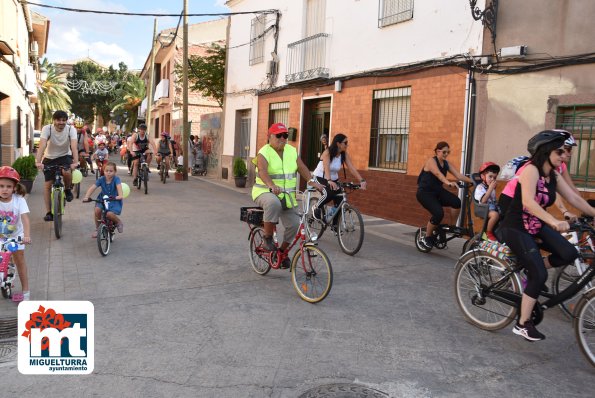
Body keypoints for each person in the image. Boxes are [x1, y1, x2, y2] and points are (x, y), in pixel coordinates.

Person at [498, 129, 595, 341]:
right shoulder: (530, 170)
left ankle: (530, 264)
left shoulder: (554, 174)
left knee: (568, 253)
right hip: (515, 226)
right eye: (560, 151)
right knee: (539, 274)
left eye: (565, 152)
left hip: (534, 224)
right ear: (546, 151)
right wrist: (553, 221)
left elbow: (574, 198)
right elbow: (528, 202)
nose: (564, 156)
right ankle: (523, 324)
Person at [252, 123, 315, 269]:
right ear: (270, 137)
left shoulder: (291, 151)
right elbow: (262, 171)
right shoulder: (264, 152)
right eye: (278, 135)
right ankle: (267, 239)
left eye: (285, 135)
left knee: (294, 225)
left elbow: (302, 167)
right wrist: (271, 185)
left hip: (286, 196)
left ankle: (281, 252)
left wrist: (312, 181)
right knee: (273, 203)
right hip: (264, 192)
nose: (282, 138)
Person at [416, 141, 473, 248]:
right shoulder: (431, 161)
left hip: (437, 191)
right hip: (425, 193)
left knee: (456, 202)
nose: (446, 154)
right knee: (438, 213)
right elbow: (438, 174)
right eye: (444, 152)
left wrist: (474, 182)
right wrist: (448, 183)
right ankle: (427, 237)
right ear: (438, 151)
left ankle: (452, 226)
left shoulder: (446, 163)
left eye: (448, 152)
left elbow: (458, 175)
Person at [311, 133, 367, 222]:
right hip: (320, 177)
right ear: (338, 144)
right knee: (329, 194)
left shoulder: (343, 154)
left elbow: (351, 168)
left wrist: (361, 180)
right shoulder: (327, 152)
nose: (347, 144)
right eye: (345, 142)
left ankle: (335, 226)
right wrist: (329, 180)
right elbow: (326, 168)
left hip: (333, 179)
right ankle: (316, 207)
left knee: (340, 200)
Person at [35, 110, 79, 221]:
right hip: (49, 158)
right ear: (54, 120)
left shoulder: (70, 129)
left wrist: (76, 162)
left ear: (66, 121)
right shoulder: (47, 128)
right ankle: (49, 212)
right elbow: (42, 145)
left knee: (67, 171)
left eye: (64, 120)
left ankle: (68, 190)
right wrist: (38, 161)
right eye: (58, 120)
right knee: (47, 186)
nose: (61, 122)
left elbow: (74, 146)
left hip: (65, 156)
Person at [0, 167, 31, 302]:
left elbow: (25, 219)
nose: (4, 189)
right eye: (1, 186)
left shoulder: (19, 200)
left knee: (19, 261)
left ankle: (25, 291)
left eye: (8, 186)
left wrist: (27, 235)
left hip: (16, 236)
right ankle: (6, 277)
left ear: (14, 188)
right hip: (1, 237)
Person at [83, 162, 124, 238]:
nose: (108, 173)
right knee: (97, 210)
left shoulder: (116, 179)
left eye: (111, 171)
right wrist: (87, 196)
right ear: (103, 171)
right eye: (106, 171)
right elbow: (93, 187)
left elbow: (119, 190)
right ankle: (97, 229)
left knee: (109, 214)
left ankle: (118, 222)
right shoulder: (101, 179)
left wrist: (120, 196)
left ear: (115, 172)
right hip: (103, 199)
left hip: (114, 200)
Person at [474, 162, 500, 241]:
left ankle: (497, 233)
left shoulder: (490, 188)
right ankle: (489, 233)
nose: (492, 179)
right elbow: (483, 200)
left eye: (494, 178)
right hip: (483, 209)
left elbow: (493, 200)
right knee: (495, 215)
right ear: (482, 176)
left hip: (491, 208)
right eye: (490, 177)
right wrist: (491, 189)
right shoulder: (480, 188)